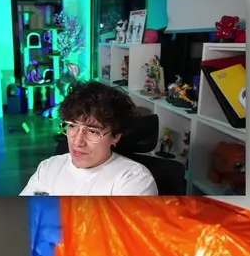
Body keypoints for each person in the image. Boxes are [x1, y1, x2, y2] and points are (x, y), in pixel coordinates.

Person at [20, 80, 158, 196]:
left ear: (115, 137)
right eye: (72, 126)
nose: (77, 142)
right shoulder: (48, 168)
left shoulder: (134, 180)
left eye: (92, 131)